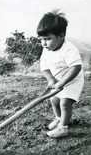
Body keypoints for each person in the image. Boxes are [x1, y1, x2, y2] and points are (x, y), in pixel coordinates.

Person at [36, 10, 84, 138]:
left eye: (48, 39)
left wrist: (63, 82)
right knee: (54, 100)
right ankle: (59, 118)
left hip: (72, 81)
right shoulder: (46, 50)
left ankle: (63, 128)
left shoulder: (69, 49)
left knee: (64, 103)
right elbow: (44, 67)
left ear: (61, 36)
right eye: (42, 39)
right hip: (58, 82)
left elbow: (76, 67)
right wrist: (51, 79)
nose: (44, 43)